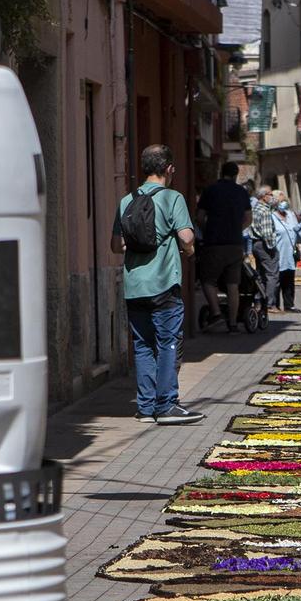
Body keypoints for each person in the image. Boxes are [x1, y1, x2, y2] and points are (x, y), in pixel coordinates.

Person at [113, 144, 202, 425]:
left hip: (134, 285)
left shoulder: (127, 200)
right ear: (169, 169)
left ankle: (145, 408)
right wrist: (188, 252)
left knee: (141, 345)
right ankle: (166, 405)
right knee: (167, 343)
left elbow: (116, 245)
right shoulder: (173, 198)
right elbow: (186, 238)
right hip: (164, 284)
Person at [193, 160, 252, 333]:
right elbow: (248, 218)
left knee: (207, 280)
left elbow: (200, 216)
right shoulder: (241, 192)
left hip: (214, 243)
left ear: (221, 173)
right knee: (233, 284)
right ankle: (233, 324)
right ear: (235, 175)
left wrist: (207, 230)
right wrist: (235, 229)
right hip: (235, 244)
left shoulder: (210, 190)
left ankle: (217, 313)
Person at [248, 184, 280, 320]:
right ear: (263, 196)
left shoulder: (256, 208)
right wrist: (272, 248)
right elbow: (267, 233)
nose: (272, 197)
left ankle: (258, 300)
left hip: (256, 244)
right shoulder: (265, 211)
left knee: (260, 274)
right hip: (265, 244)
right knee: (272, 274)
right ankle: (269, 303)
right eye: (270, 195)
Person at [270, 193, 298, 312]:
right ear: (276, 204)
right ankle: (274, 304)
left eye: (285, 201)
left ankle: (289, 305)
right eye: (281, 201)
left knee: (289, 279)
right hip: (278, 252)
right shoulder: (272, 216)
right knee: (277, 279)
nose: (284, 203)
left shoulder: (291, 215)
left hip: (291, 252)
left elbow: (297, 229)